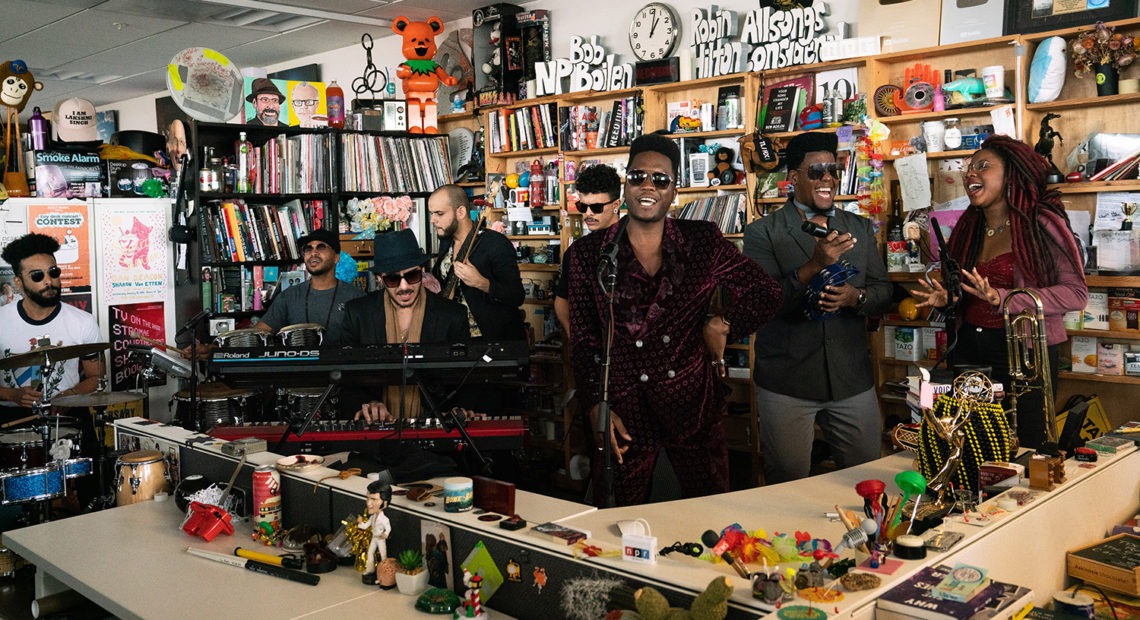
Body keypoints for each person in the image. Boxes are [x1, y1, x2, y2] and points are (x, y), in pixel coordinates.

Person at [563, 133, 780, 506]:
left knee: (708, 512)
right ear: (625, 185)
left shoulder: (703, 241)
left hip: (691, 404)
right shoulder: (589, 253)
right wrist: (595, 404)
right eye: (638, 177)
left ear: (674, 191)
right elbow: (584, 339)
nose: (648, 185)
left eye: (660, 179)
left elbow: (766, 293)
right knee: (620, 522)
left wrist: (724, 323)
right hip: (623, 410)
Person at [913, 134, 1087, 449]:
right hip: (969, 348)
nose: (970, 175)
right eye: (968, 169)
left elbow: (1076, 293)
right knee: (970, 443)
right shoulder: (968, 228)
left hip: (1025, 352)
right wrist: (951, 299)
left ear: (1012, 174)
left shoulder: (1040, 223)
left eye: (983, 166)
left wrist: (1004, 298)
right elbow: (967, 292)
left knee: (1030, 445)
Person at [743, 131, 891, 484]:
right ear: (793, 178)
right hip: (787, 382)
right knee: (788, 481)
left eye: (833, 169)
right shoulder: (763, 233)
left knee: (868, 480)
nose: (828, 178)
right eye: (817, 171)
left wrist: (856, 298)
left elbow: (884, 290)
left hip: (851, 379)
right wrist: (813, 265)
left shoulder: (858, 227)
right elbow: (760, 303)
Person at [340, 228, 469, 423]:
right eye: (393, 279)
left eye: (412, 276)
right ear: (379, 279)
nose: (404, 287)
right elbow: (345, 377)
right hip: (375, 430)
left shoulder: (452, 315)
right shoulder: (357, 314)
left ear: (422, 270)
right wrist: (368, 402)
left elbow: (465, 378)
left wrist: (457, 409)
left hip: (435, 426)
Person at [0, 233, 104, 423]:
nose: (49, 281)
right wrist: (10, 394)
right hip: (11, 420)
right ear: (18, 282)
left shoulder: (84, 321)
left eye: (53, 272)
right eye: (37, 276)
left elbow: (96, 377)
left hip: (69, 416)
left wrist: (70, 395)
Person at [428, 184, 526, 341]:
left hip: (491, 340)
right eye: (431, 213)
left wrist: (482, 283)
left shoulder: (495, 243)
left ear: (460, 212)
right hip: (454, 336)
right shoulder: (446, 243)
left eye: (439, 213)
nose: (433, 220)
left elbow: (517, 296)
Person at [255, 229, 362, 343]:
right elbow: (258, 334)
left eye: (321, 247)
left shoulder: (356, 297)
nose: (313, 253)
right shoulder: (288, 297)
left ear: (336, 258)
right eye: (308, 249)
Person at [554, 163, 623, 337]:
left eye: (597, 208)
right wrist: (577, 340)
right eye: (583, 207)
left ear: (616, 204)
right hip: (591, 348)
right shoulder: (577, 250)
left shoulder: (638, 242)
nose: (588, 214)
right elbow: (562, 301)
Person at [357, 480, 392, 585]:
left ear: (384, 503)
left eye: (373, 499)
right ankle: (370, 570)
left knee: (383, 557)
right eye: (367, 498)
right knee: (370, 553)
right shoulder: (372, 517)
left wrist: (385, 535)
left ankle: (384, 576)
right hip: (374, 538)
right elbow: (365, 526)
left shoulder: (384, 519)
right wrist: (360, 523)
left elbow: (388, 529)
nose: (368, 503)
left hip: (380, 539)